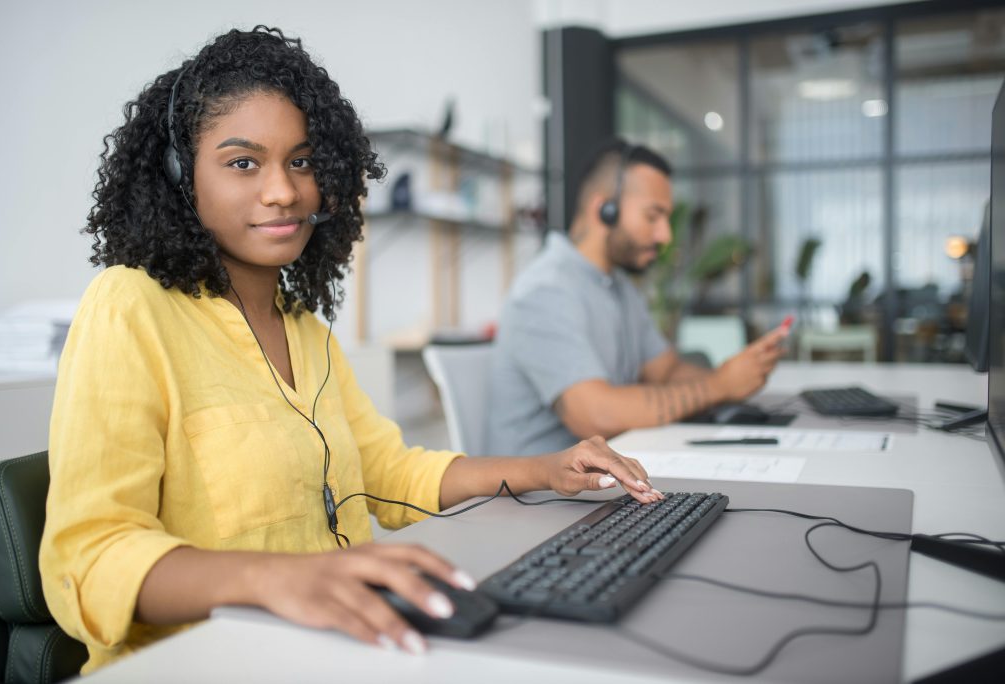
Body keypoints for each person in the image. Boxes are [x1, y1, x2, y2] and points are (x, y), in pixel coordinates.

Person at [38, 28, 663, 674]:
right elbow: (89, 557)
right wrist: (277, 579)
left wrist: (543, 470)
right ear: (180, 176)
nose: (282, 190)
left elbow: (388, 474)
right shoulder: (129, 307)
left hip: (331, 649)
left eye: (301, 162)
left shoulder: (306, 330)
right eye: (243, 163)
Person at [486, 139, 788, 456]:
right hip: (539, 499)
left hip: (609, 474)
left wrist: (738, 373)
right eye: (652, 216)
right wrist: (719, 387)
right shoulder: (544, 291)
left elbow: (666, 372)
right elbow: (595, 416)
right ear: (605, 210)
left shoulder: (619, 287)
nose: (665, 236)